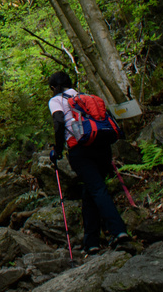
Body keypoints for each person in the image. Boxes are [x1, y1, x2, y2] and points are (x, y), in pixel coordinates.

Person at [46, 70, 129, 255]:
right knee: (90, 192)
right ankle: (91, 242)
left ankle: (118, 230)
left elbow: (59, 122)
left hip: (80, 149)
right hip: (102, 147)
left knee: (97, 189)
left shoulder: (56, 100)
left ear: (53, 87)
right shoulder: (84, 96)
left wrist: (57, 150)